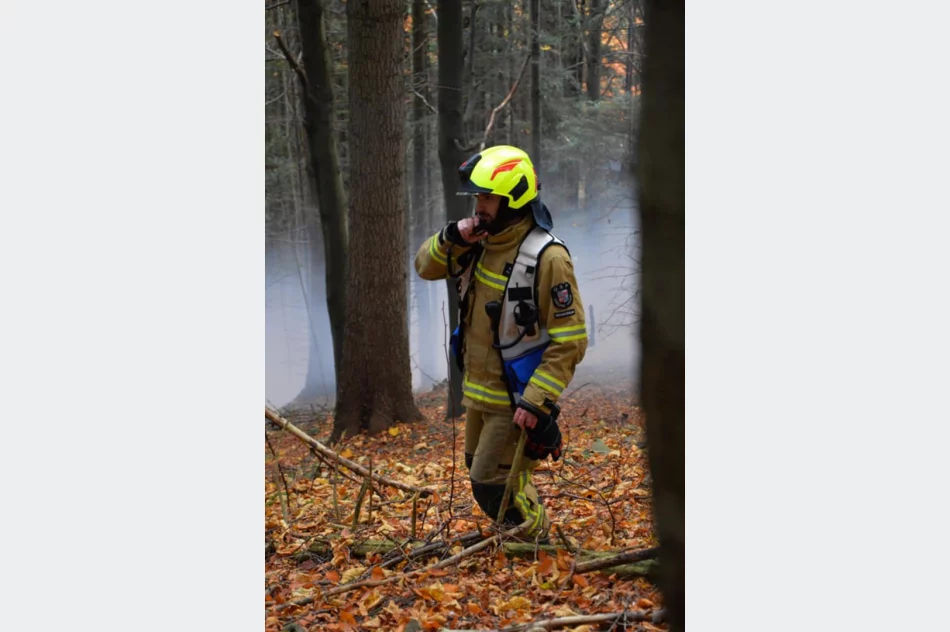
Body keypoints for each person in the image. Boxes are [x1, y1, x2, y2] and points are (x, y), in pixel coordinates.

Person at [414, 145, 588, 541]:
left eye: (487, 197)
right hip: (480, 394)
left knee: (490, 482)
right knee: (487, 474)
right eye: (478, 196)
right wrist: (451, 236)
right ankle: (524, 539)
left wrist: (536, 400)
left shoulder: (548, 257)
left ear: (513, 198)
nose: (479, 206)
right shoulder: (477, 241)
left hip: (514, 400)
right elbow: (425, 266)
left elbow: (571, 340)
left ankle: (538, 544)